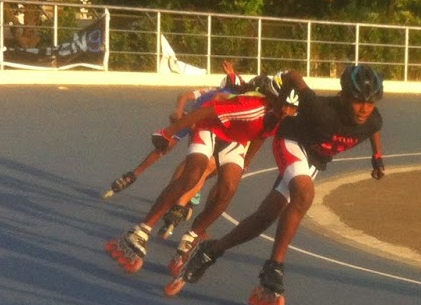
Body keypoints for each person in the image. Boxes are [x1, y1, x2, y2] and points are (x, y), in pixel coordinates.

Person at [167, 63, 386, 305]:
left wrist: (376, 156)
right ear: (345, 95)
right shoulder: (321, 110)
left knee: (265, 216)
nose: (364, 109)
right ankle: (275, 268)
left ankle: (210, 251)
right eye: (358, 101)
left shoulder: (373, 119)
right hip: (291, 141)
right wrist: (275, 80)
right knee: (304, 193)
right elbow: (294, 76)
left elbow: (373, 129)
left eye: (370, 102)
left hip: (315, 159)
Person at [105, 68, 288, 274]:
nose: (290, 112)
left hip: (235, 139)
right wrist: (167, 133)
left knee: (228, 188)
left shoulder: (280, 116)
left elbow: (260, 137)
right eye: (287, 107)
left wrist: (244, 165)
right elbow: (205, 112)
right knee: (193, 174)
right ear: (276, 102)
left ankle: (193, 235)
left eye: (293, 109)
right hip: (210, 126)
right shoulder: (252, 107)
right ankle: (141, 230)